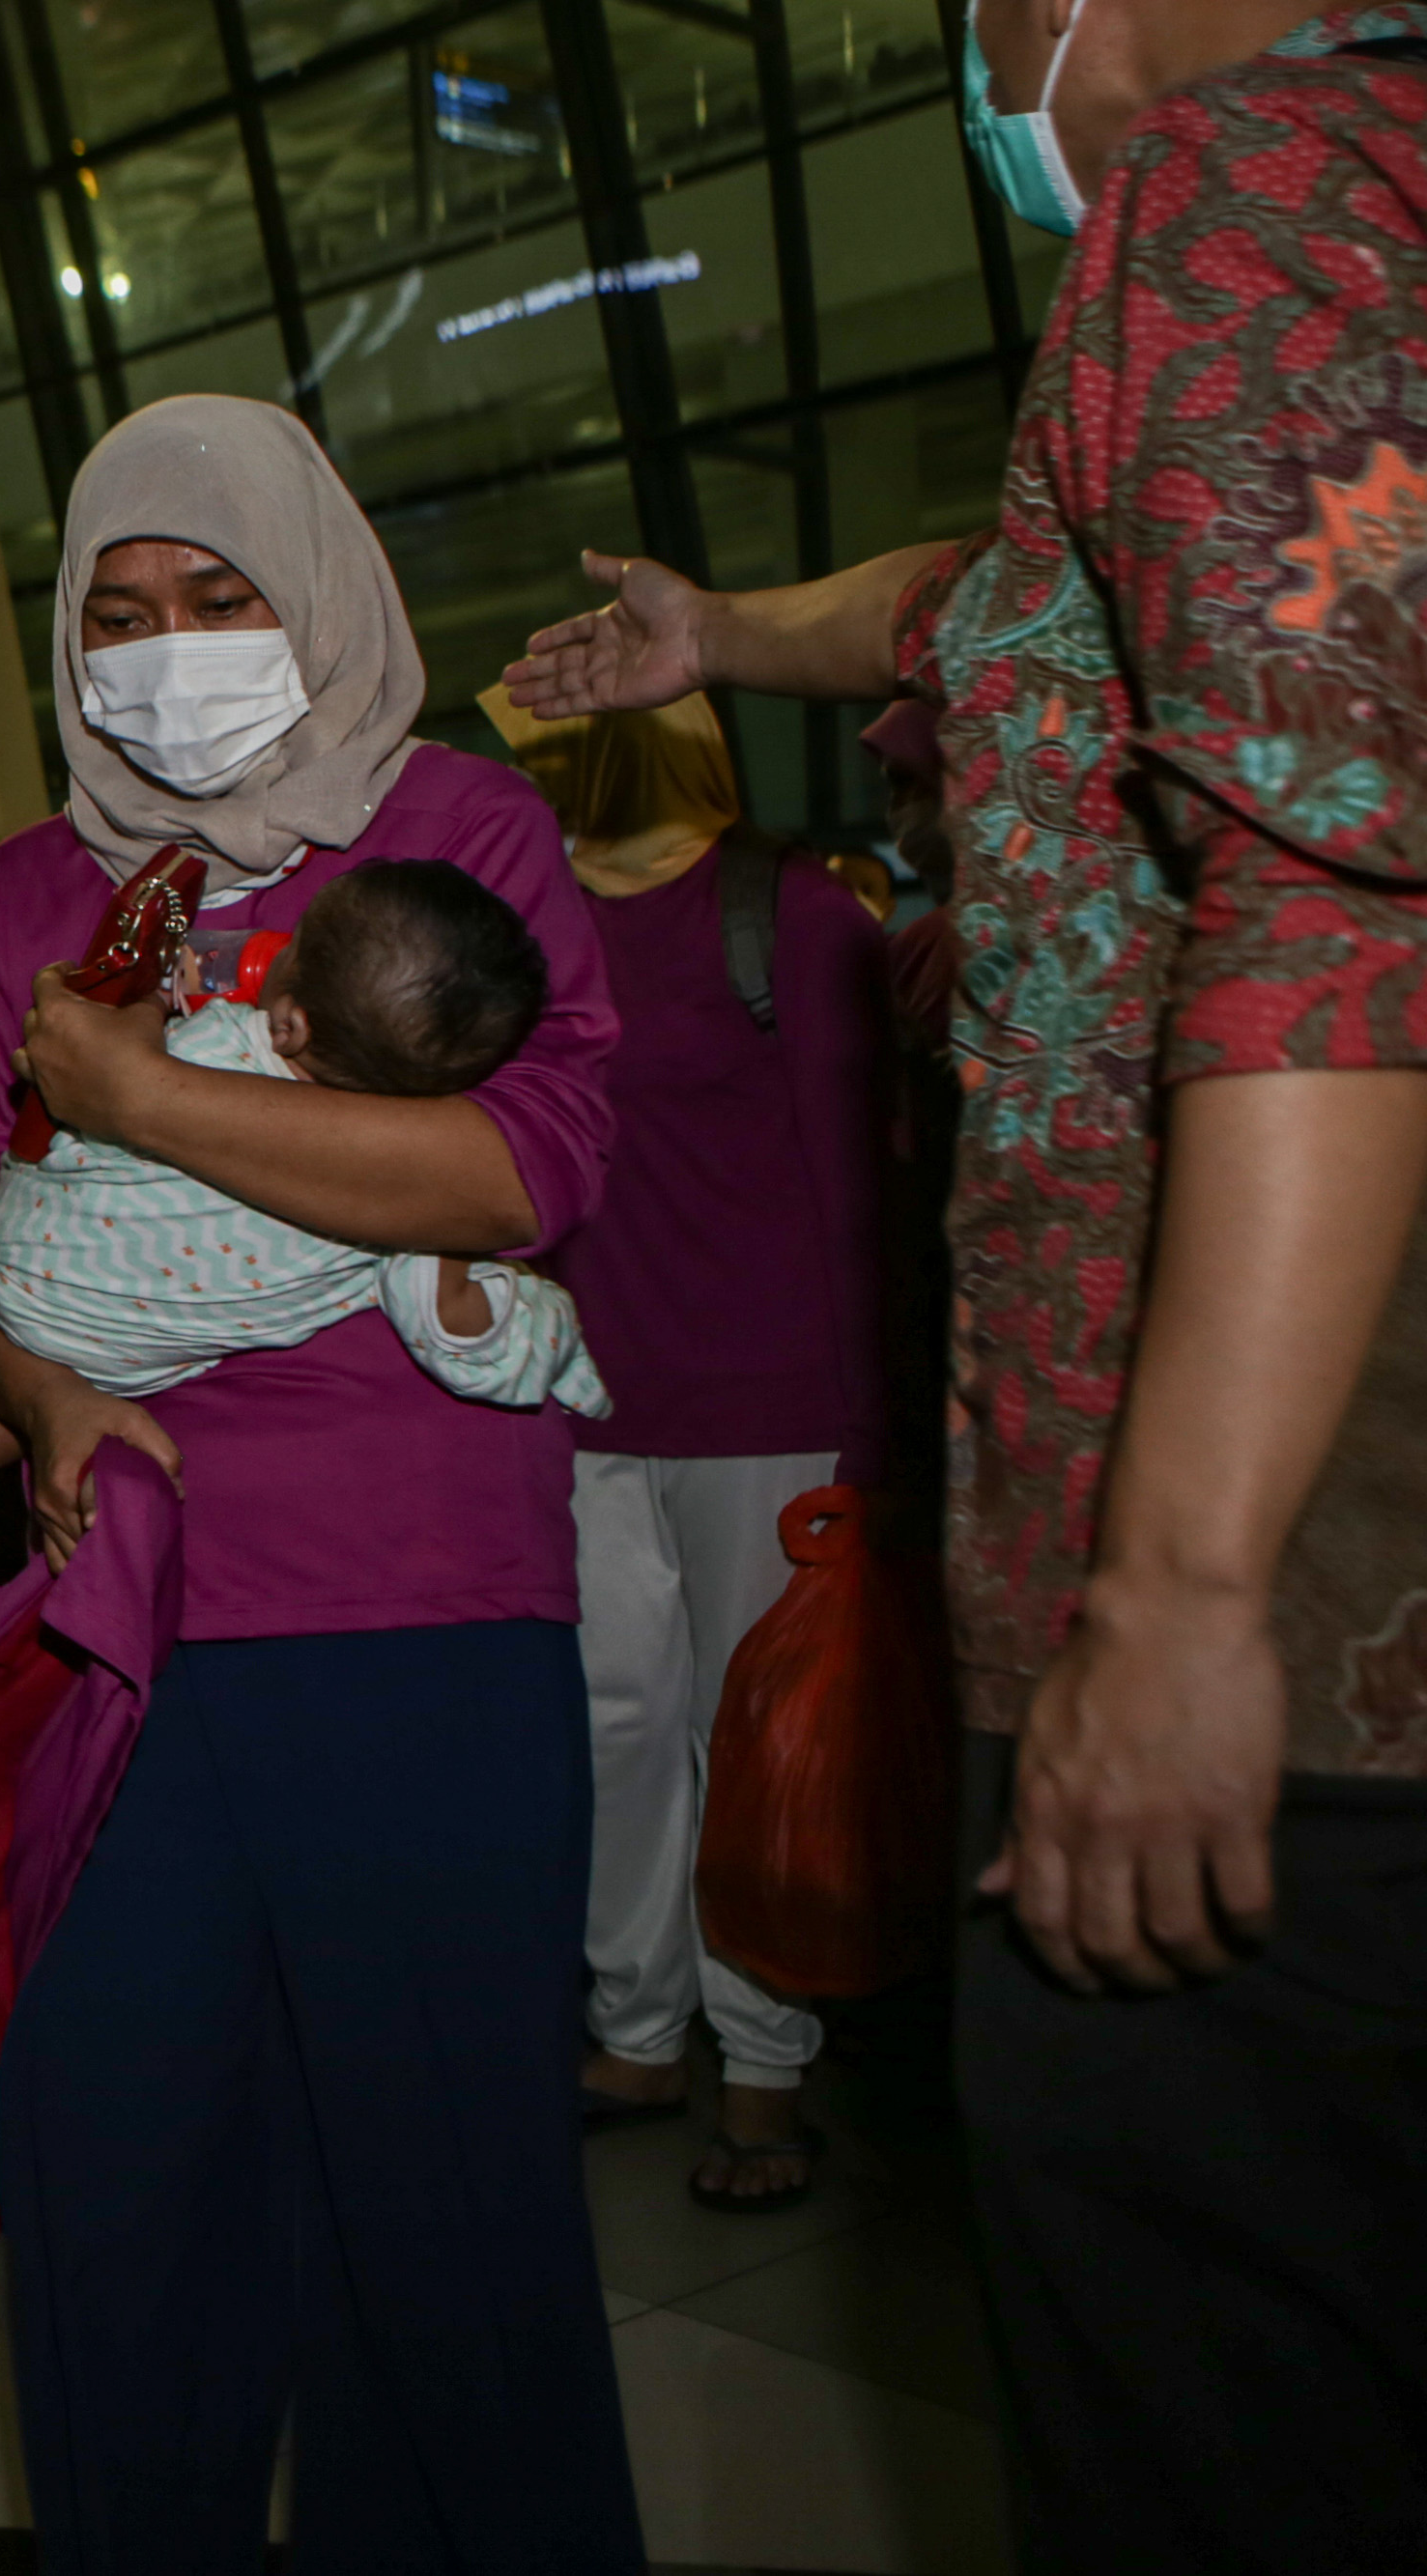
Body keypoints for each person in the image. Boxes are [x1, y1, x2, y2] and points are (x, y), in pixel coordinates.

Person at [499, 5, 1425, 2558]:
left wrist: (1180, 1594)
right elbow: (993, 604)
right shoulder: (1362, 214)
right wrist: (715, 629)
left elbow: (1338, 919)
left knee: (1233, 2397)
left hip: (1308, 1609)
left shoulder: (1240, 192)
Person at [0, 394, 640, 2569]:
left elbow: (516, 1165)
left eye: (217, 600)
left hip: (413, 1620)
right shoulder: (31, 886)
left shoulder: (458, 830)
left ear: (318, 599)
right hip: (110, 1625)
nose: (161, 649)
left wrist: (132, 1089)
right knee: (121, 2204)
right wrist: (29, 1394)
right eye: (115, 613)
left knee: (448, 2226)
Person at [477, 688, 888, 2215]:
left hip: (772, 1404)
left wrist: (870, 1434)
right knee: (614, 1723)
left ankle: (768, 2055)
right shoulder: (532, 926)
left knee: (754, 1729)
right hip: (581, 1397)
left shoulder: (787, 914)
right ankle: (641, 2027)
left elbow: (860, 1182)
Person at [0, 858, 602, 1429]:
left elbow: (110, 1057)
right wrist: (548, 1321)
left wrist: (149, 1001)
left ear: (291, 1024)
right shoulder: (405, 1202)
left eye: (291, 948)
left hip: (9, 1280)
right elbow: (450, 1330)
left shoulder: (216, 1045)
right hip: (122, 1358)